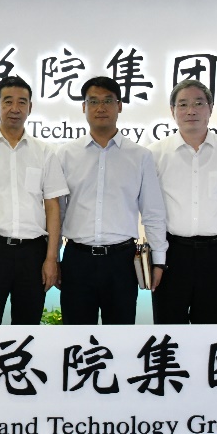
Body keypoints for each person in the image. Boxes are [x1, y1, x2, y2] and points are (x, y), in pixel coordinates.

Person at [56, 76, 166, 325]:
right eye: (93, 101)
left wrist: (159, 261)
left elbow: (153, 212)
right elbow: (57, 212)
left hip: (122, 261)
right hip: (77, 259)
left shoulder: (140, 156)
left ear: (120, 106)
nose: (101, 108)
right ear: (84, 107)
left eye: (108, 101)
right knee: (75, 336)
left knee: (120, 336)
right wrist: (53, 258)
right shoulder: (65, 154)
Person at [0, 76, 67, 325]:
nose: (15, 108)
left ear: (30, 107)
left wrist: (51, 258)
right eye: (8, 101)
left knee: (28, 326)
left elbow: (53, 207)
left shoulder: (44, 152)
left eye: (22, 102)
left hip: (33, 253)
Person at [150, 79, 217, 325]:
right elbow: (151, 208)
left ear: (210, 108)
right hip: (172, 254)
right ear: (172, 110)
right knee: (169, 329)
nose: (191, 111)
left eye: (198, 103)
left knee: (212, 331)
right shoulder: (155, 154)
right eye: (183, 104)